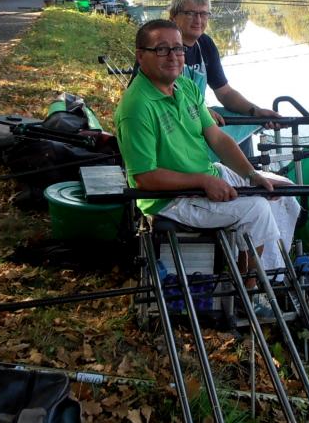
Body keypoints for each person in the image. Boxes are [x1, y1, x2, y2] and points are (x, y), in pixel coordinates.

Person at [114, 19, 298, 273]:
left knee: (284, 194)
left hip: (205, 173)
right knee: (256, 209)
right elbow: (145, 178)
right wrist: (202, 181)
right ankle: (250, 288)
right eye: (161, 49)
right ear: (141, 56)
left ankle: (274, 272)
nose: (173, 56)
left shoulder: (186, 86)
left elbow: (218, 138)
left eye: (178, 49)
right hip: (169, 199)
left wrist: (252, 175)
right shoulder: (136, 107)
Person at [168, 0, 278, 126]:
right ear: (174, 16)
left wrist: (256, 111)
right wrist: (200, 110)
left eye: (203, 14)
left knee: (244, 120)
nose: (198, 20)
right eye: (190, 13)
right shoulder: (162, 44)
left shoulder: (205, 44)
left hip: (197, 115)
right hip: (169, 121)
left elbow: (225, 93)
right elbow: (157, 96)